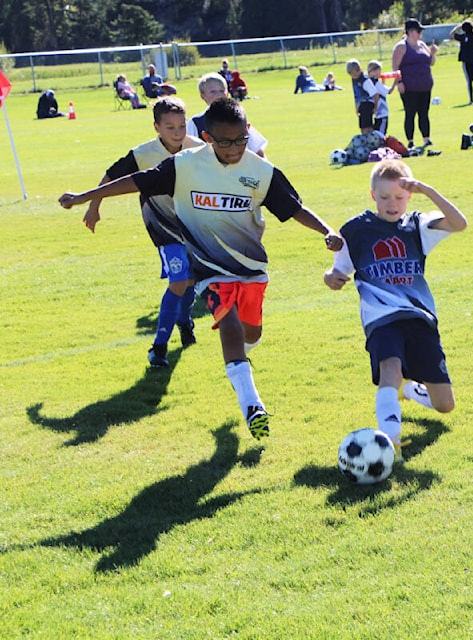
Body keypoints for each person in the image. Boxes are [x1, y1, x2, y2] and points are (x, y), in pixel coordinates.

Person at [59, 98, 343, 440]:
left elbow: (294, 208)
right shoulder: (184, 165)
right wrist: (85, 197)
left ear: (248, 132)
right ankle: (251, 404)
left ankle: (240, 362)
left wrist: (326, 230)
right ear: (207, 137)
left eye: (240, 139)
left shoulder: (261, 172)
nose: (234, 148)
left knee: (251, 333)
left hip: (251, 267)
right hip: (207, 268)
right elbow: (137, 180)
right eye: (224, 142)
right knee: (230, 324)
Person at [323, 159, 467, 456]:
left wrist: (428, 190)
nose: (392, 204)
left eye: (399, 197)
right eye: (385, 197)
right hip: (381, 319)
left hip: (420, 319)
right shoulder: (354, 230)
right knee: (390, 367)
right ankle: (391, 442)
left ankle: (410, 389)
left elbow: (459, 223)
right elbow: (339, 271)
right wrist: (331, 277)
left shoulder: (417, 225)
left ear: (409, 196)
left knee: (445, 404)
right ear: (373, 195)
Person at [80, 97, 204, 367]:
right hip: (164, 228)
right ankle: (159, 348)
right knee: (178, 281)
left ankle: (184, 321)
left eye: (182, 126)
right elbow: (111, 176)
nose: (177, 132)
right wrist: (94, 206)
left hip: (196, 226)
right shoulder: (142, 154)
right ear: (156, 127)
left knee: (190, 282)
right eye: (170, 127)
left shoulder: (199, 150)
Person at [187, 73, 268, 158]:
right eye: (213, 91)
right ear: (202, 96)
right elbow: (190, 153)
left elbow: (257, 150)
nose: (219, 94)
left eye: (222, 90)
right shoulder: (195, 122)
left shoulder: (237, 117)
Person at [392, 18, 438, 149]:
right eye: (418, 31)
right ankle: (410, 141)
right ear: (410, 32)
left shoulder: (422, 45)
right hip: (409, 86)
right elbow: (395, 66)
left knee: (424, 113)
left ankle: (426, 139)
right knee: (410, 113)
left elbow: (431, 62)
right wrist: (399, 82)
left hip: (425, 85)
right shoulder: (401, 46)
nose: (419, 34)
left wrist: (433, 53)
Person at [450, 21, 473, 103]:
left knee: (469, 80)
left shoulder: (463, 37)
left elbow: (452, 34)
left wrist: (457, 27)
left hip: (466, 61)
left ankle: (471, 99)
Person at [347, 58, 378, 135]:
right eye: (351, 75)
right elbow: (356, 95)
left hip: (367, 104)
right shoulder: (354, 79)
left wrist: (375, 107)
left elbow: (375, 93)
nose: (353, 76)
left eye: (354, 74)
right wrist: (357, 107)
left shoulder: (365, 80)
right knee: (362, 127)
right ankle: (365, 140)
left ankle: (370, 141)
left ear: (359, 70)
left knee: (367, 127)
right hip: (361, 105)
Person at [368, 60, 394, 136]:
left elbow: (381, 91)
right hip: (382, 112)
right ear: (373, 71)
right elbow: (388, 92)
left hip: (375, 113)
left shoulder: (369, 81)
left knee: (376, 132)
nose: (380, 73)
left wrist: (383, 82)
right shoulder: (375, 82)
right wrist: (396, 81)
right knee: (381, 134)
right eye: (379, 71)